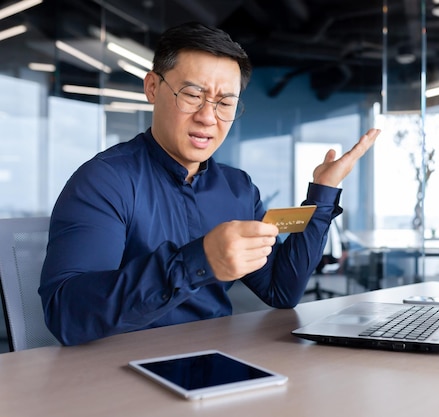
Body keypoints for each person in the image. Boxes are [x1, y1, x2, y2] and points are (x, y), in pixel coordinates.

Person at [38, 22, 380, 346]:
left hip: (215, 360)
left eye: (225, 103)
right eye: (191, 95)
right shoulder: (104, 181)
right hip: (120, 374)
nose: (207, 116)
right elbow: (67, 315)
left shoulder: (237, 188)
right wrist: (196, 261)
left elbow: (280, 290)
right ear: (153, 88)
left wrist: (322, 192)